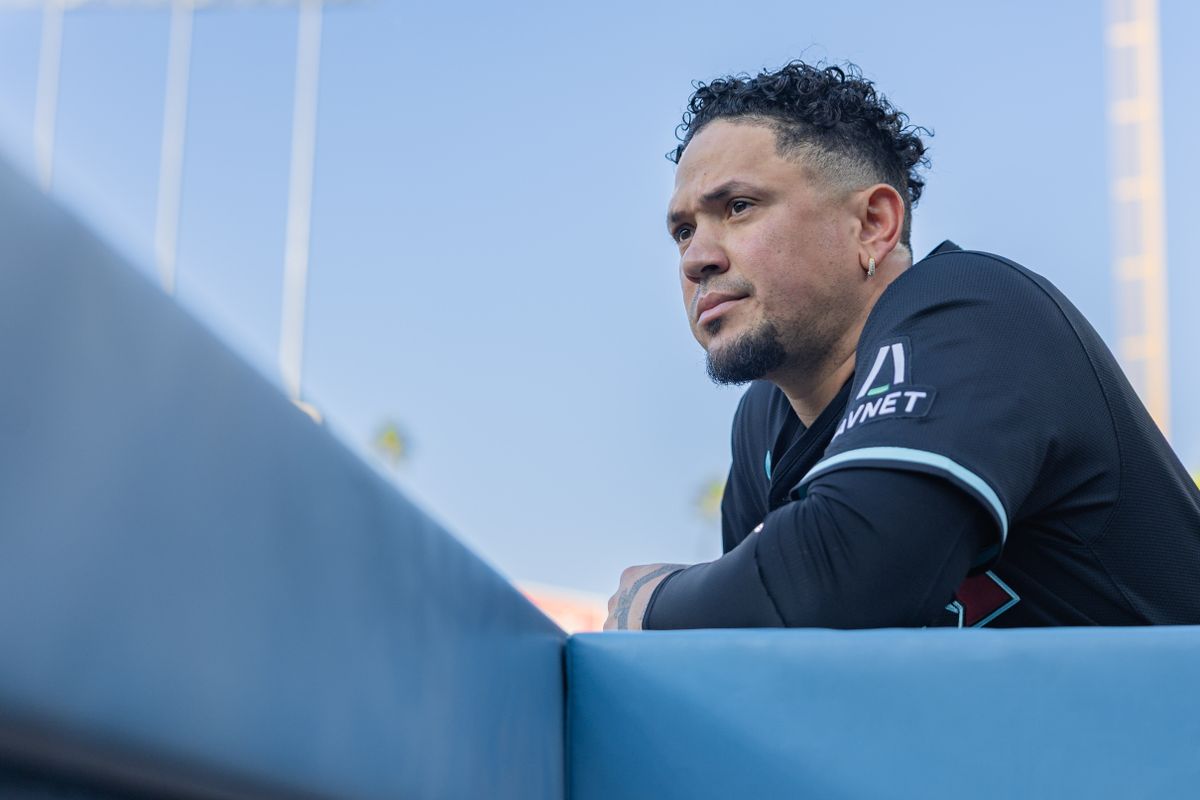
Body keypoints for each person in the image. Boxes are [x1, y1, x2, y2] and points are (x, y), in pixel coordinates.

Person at [604, 61, 1200, 631]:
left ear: (872, 225)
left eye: (738, 207)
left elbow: (845, 577)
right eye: (683, 231)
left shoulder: (971, 308)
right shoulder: (763, 421)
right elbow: (763, 661)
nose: (695, 258)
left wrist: (652, 599)